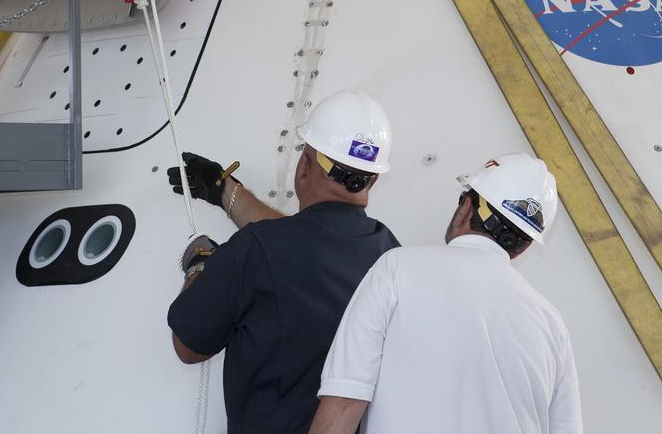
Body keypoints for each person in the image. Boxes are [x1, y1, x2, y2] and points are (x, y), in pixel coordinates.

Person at [166, 90, 400, 434]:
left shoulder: (257, 250)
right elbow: (307, 240)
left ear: (305, 164)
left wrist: (200, 266)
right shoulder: (391, 255)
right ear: (374, 178)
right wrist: (225, 193)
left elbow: (188, 346)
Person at [310, 153, 582, 434]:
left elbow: (344, 399)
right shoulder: (552, 326)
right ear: (524, 246)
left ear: (466, 207)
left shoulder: (397, 269)